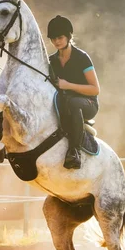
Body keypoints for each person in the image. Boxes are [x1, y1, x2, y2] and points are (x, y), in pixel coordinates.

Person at [47, 15, 100, 170]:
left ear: (69, 36)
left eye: (60, 37)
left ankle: (74, 151)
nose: (56, 41)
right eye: (53, 38)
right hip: (64, 105)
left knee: (73, 102)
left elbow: (95, 89)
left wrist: (68, 85)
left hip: (88, 103)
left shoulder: (82, 58)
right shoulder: (51, 61)